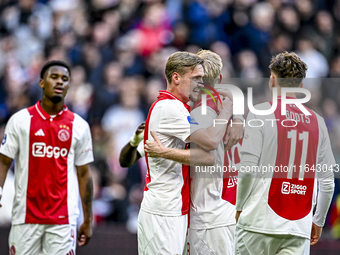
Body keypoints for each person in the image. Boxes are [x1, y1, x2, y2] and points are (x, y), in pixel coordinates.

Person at [144, 49, 243, 255]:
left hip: (208, 214)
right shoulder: (221, 106)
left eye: (201, 78)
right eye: (195, 78)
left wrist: (164, 152)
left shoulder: (203, 110)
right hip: (214, 208)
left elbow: (208, 152)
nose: (198, 83)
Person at [235, 52, 335, 254]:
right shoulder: (318, 122)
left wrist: (238, 207)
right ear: (301, 86)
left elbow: (247, 169)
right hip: (298, 227)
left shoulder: (260, 113)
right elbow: (327, 181)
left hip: (258, 222)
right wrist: (318, 220)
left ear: (272, 80)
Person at [0, 60, 94, 255]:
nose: (60, 82)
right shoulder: (20, 121)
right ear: (42, 83)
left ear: (69, 86)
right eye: (54, 77)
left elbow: (84, 174)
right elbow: (3, 161)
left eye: (65, 79)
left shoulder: (80, 126)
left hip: (63, 220)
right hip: (25, 217)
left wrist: (87, 219)